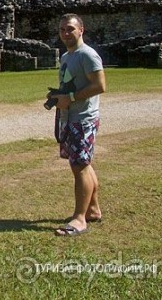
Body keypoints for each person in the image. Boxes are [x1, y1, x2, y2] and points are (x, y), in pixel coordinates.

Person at [47, 13, 106, 236]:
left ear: (81, 30)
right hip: (70, 117)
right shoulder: (66, 57)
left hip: (83, 119)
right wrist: (59, 97)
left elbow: (100, 85)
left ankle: (80, 219)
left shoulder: (87, 55)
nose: (65, 33)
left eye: (70, 29)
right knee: (82, 164)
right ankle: (92, 209)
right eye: (62, 29)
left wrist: (70, 99)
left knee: (80, 165)